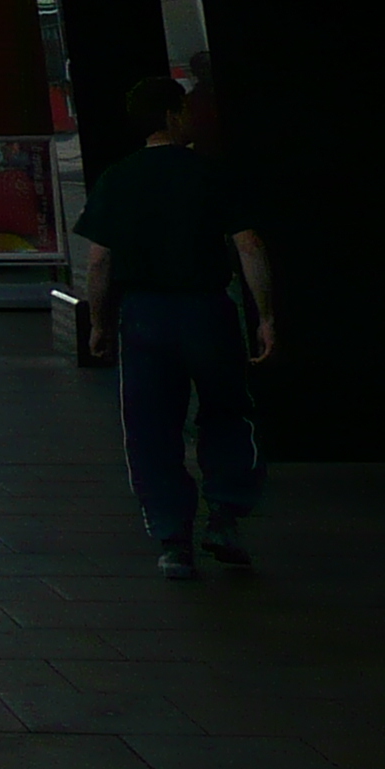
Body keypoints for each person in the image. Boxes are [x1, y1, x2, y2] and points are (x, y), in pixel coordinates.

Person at [76, 76, 271, 580]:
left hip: (143, 316)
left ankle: (172, 539)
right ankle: (226, 516)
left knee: (150, 428)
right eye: (183, 109)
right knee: (227, 412)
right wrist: (264, 314)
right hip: (209, 310)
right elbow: (248, 245)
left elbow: (99, 261)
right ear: (169, 116)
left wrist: (98, 323)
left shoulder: (118, 177)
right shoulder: (211, 173)